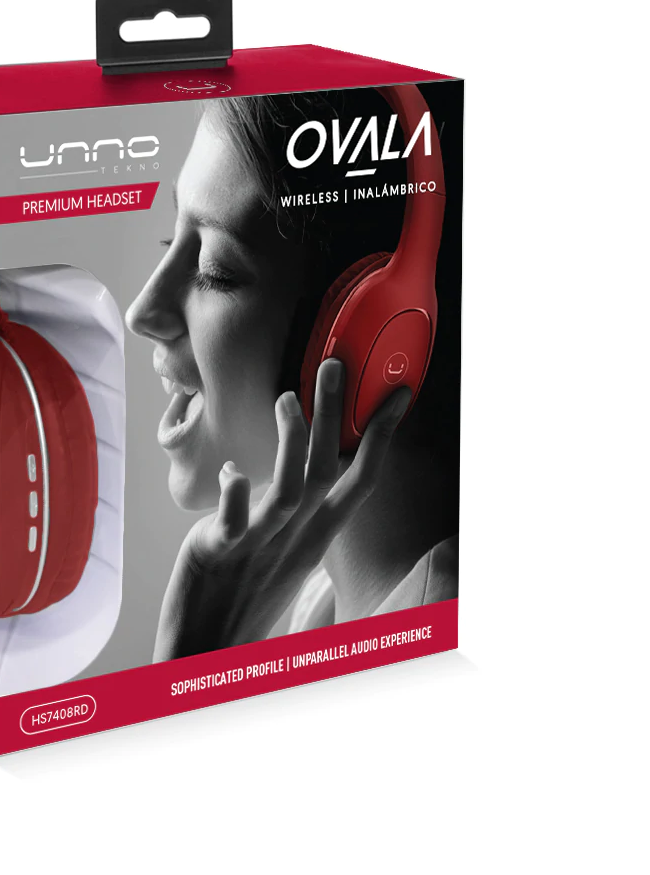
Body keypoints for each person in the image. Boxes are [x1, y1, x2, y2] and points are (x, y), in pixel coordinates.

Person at [124, 88, 459, 662]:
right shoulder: (324, 604)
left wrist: (191, 660)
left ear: (372, 333)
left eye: (213, 269)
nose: (141, 311)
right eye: (169, 239)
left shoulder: (429, 656)